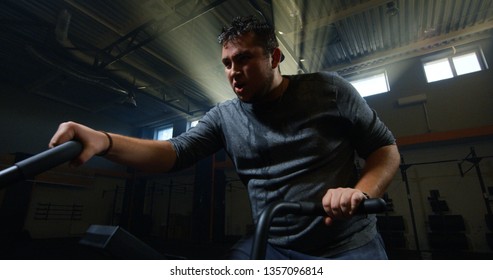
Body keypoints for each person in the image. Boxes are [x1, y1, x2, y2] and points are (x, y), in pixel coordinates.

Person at [49, 16, 400, 259]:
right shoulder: (224, 117)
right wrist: (104, 141)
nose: (234, 72)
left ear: (274, 57)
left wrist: (360, 192)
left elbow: (385, 149)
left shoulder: (330, 91)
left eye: (244, 59)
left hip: (347, 246)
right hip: (271, 243)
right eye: (227, 63)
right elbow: (173, 152)